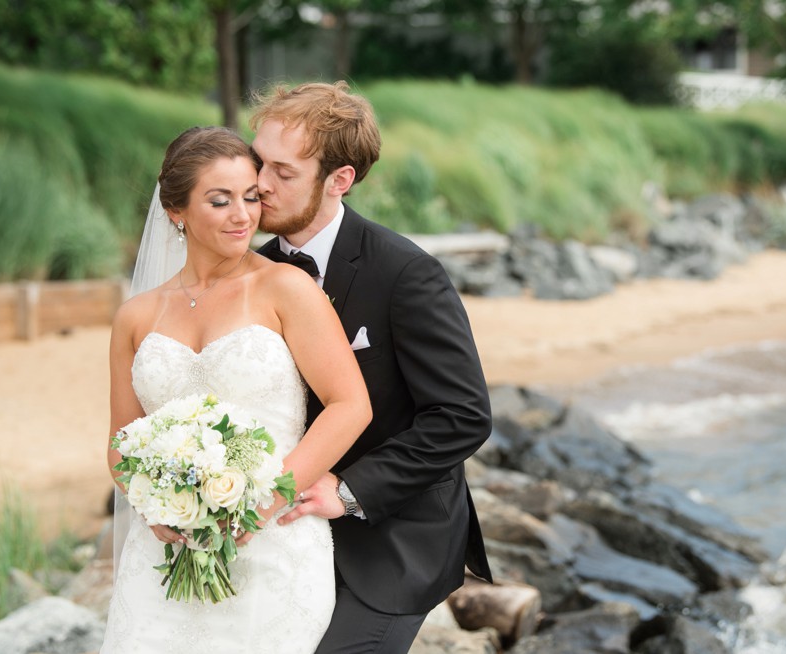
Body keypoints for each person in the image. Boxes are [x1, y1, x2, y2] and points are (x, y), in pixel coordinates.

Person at [101, 126, 371, 652]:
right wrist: (155, 507)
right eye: (220, 201)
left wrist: (266, 502)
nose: (243, 215)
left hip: (273, 543)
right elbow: (120, 441)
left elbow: (350, 405)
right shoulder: (135, 316)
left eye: (251, 197)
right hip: (165, 552)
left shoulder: (285, 288)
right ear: (176, 211)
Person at [250, 81, 494, 653]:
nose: (259, 184)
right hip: (276, 528)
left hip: (392, 537)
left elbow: (462, 416)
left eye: (283, 172)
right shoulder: (250, 273)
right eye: (258, 160)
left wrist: (351, 489)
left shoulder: (407, 274)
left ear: (339, 181)